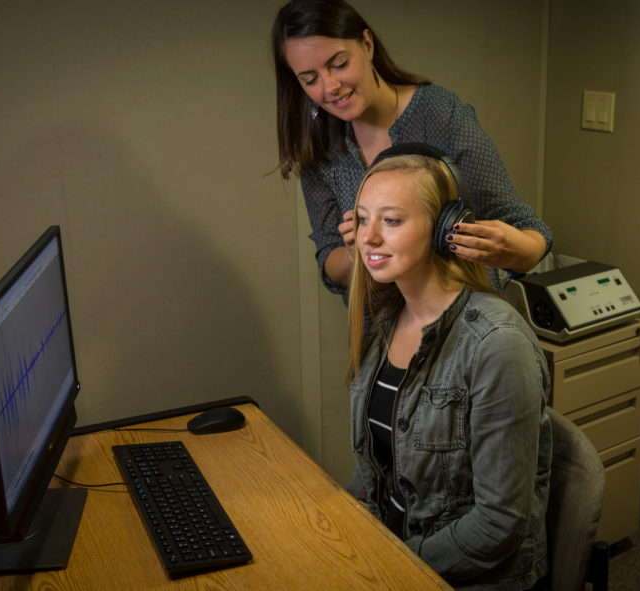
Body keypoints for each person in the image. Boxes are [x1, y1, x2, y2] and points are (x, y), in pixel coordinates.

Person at [346, 144, 552, 590]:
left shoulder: (497, 345)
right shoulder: (383, 320)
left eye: (392, 220)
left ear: (446, 230)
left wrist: (389, 567)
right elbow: (377, 468)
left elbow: (498, 525)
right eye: (363, 219)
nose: (368, 237)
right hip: (393, 553)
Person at [271, 0, 552, 296]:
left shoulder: (443, 116)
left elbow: (529, 237)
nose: (330, 87)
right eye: (310, 79)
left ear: (367, 44)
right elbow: (331, 264)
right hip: (382, 333)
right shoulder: (318, 146)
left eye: (339, 64)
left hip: (467, 325)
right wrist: (357, 252)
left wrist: (508, 249)